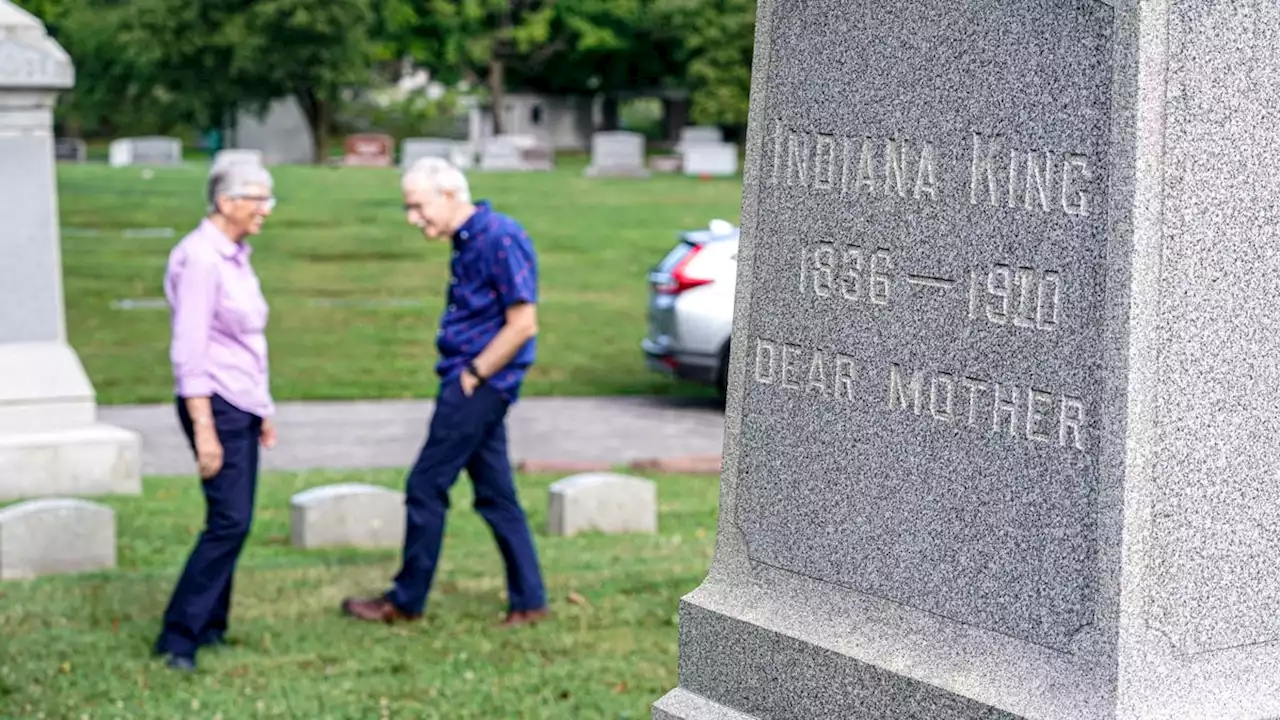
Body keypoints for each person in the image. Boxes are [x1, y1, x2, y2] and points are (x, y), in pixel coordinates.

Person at [342, 157, 548, 628]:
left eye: (418, 206)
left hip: (478, 385)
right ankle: (531, 601)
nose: (414, 218)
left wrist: (474, 373)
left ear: (450, 194)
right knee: (496, 496)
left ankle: (406, 601)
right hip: (472, 382)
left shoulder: (501, 236)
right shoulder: (468, 239)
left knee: (425, 486)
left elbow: (523, 324)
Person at [153, 161, 279, 671]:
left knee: (234, 520)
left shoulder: (235, 256)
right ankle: (178, 638)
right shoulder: (200, 259)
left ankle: (211, 627)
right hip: (214, 404)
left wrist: (264, 410)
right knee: (229, 522)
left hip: (241, 401)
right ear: (226, 202)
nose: (266, 210)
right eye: (258, 199)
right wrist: (205, 428)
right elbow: (190, 350)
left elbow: (247, 342)